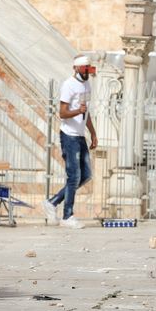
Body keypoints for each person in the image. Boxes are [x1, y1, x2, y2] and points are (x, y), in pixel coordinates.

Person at [42, 54, 98, 228]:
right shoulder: (68, 85)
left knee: (86, 175)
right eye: (85, 68)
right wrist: (77, 111)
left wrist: (93, 133)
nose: (87, 71)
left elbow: (85, 112)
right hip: (69, 136)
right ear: (76, 68)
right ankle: (67, 216)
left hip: (80, 135)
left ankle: (53, 202)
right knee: (74, 176)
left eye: (89, 68)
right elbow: (63, 113)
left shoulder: (87, 85)